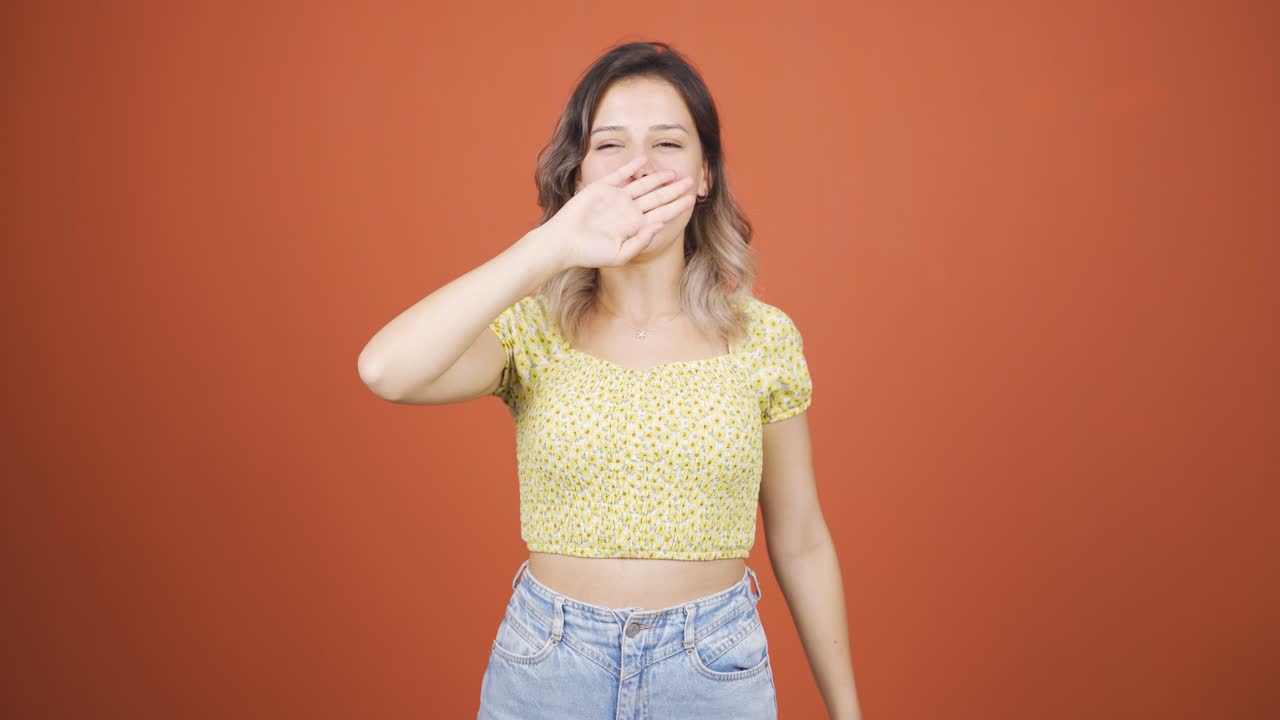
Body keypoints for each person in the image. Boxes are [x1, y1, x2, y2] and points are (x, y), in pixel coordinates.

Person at [358, 41, 861, 720]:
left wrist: (848, 711)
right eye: (611, 146)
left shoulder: (764, 339)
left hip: (712, 675)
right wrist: (553, 245)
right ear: (579, 174)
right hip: (548, 670)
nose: (639, 169)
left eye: (668, 144)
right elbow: (386, 370)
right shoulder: (532, 334)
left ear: (704, 174)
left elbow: (800, 538)